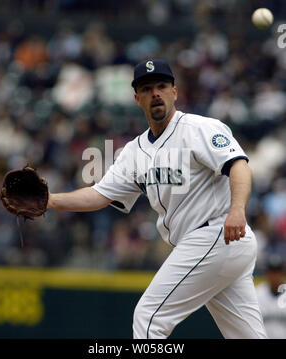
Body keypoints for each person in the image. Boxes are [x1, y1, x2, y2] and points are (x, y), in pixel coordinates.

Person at [47, 59, 267, 339]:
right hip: (215, 246)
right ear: (137, 98)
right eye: (147, 88)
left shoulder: (199, 128)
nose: (156, 94)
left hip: (215, 234)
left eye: (162, 86)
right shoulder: (134, 151)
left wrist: (237, 209)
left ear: (174, 92)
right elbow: (99, 194)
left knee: (149, 318)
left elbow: (239, 166)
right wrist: (50, 201)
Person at [256, 254, 286, 339]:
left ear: (282, 273)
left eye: (277, 272)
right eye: (272, 272)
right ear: (267, 273)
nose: (275, 276)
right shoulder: (257, 294)